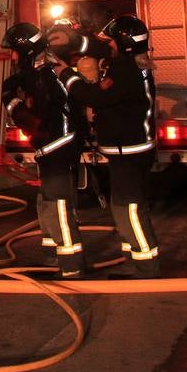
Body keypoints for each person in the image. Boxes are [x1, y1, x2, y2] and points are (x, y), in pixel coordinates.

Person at [63, 15, 161, 279]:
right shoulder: (135, 65)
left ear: (123, 43)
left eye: (112, 41)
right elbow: (100, 50)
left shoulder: (125, 72)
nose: (109, 46)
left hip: (128, 152)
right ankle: (134, 259)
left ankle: (146, 266)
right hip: (130, 151)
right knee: (121, 207)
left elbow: (94, 96)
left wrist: (66, 75)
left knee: (130, 208)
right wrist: (74, 39)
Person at [1, 22, 88, 279]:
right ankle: (53, 256)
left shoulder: (44, 77)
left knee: (59, 206)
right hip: (54, 147)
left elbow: (38, 120)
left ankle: (71, 265)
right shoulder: (39, 70)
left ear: (25, 50)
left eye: (15, 52)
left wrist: (12, 102)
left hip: (56, 148)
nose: (13, 57)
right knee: (49, 203)